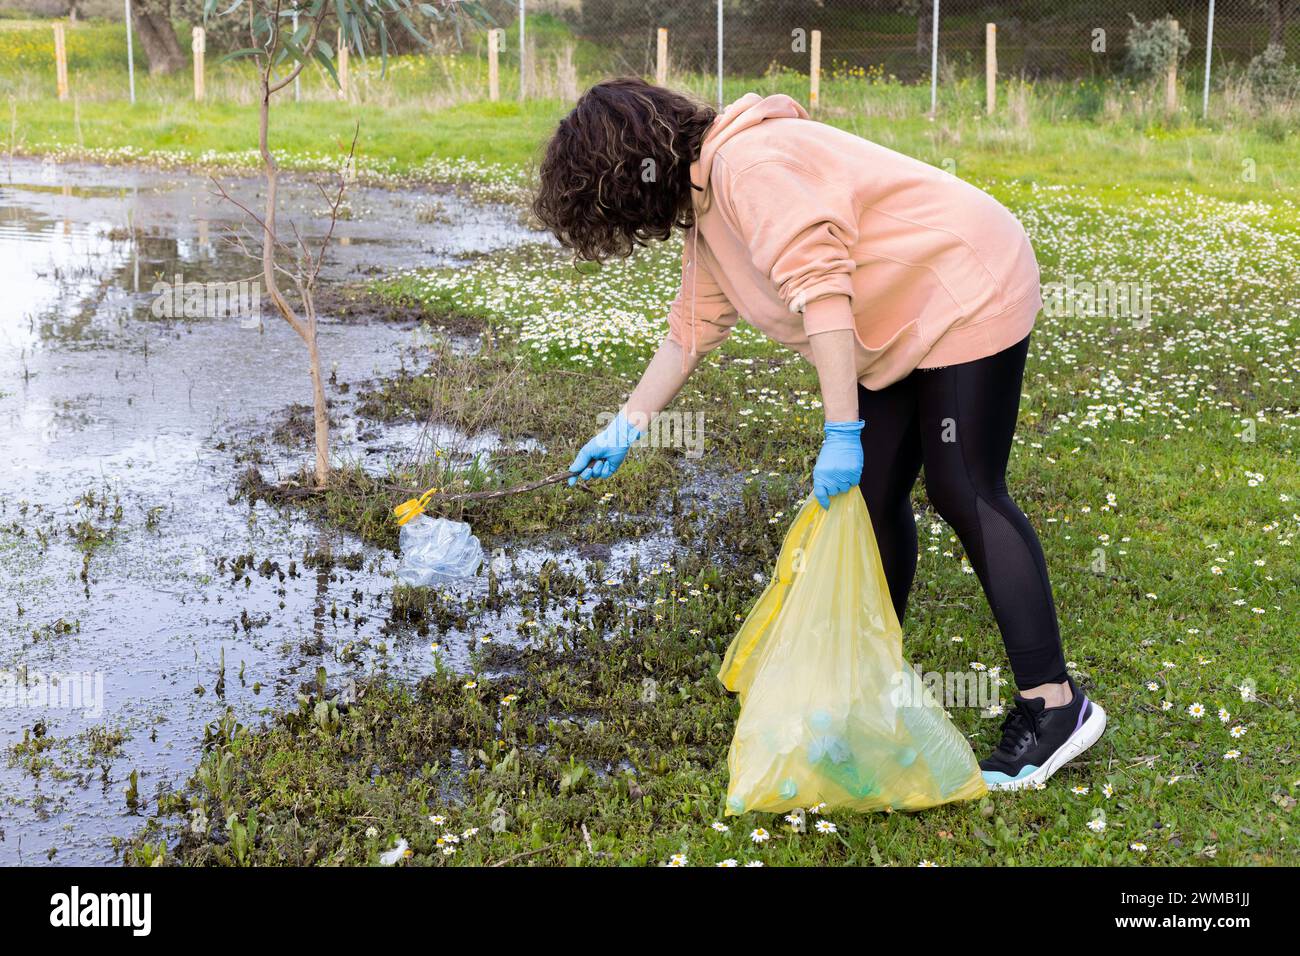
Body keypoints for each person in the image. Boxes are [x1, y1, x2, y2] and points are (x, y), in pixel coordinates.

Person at [531, 78, 1105, 790]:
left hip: (966, 283)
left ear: (625, 176)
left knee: (965, 487)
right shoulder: (708, 206)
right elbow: (691, 331)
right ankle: (863, 689)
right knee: (869, 497)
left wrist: (843, 428)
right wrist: (625, 427)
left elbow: (823, 290)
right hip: (896, 315)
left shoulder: (751, 167)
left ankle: (1055, 707)